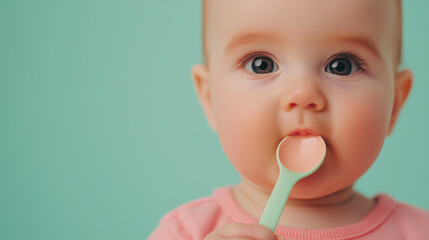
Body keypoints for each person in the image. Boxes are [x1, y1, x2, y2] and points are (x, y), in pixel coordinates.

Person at [149, 0, 429, 239]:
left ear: (394, 104)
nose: (303, 93)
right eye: (262, 64)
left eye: (342, 66)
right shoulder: (185, 232)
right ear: (210, 100)